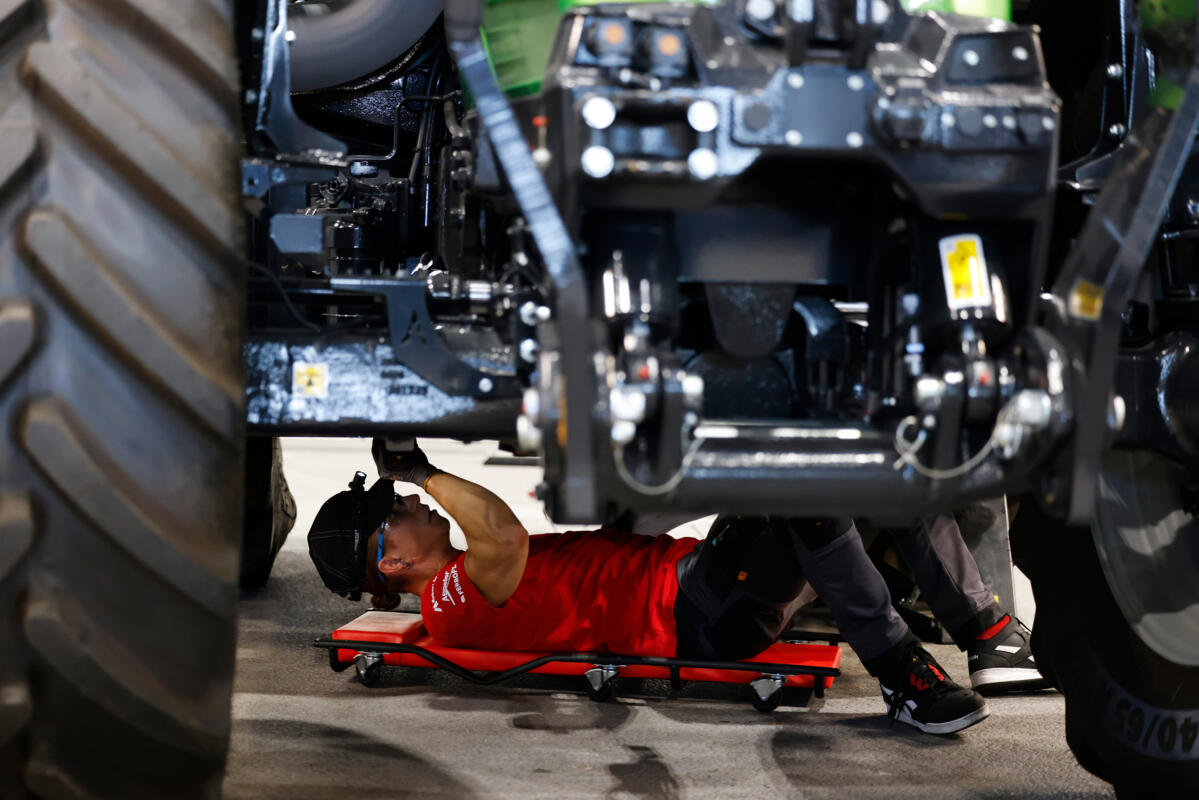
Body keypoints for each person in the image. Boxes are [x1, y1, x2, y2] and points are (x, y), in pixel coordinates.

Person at [307, 439, 1039, 735]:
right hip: (695, 614)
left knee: (869, 462)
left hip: (700, 583)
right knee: (804, 486)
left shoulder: (462, 578)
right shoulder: (448, 604)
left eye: (397, 496)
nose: (407, 504)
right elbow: (504, 534)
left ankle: (988, 635)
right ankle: (903, 679)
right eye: (391, 515)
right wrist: (421, 467)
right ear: (392, 565)